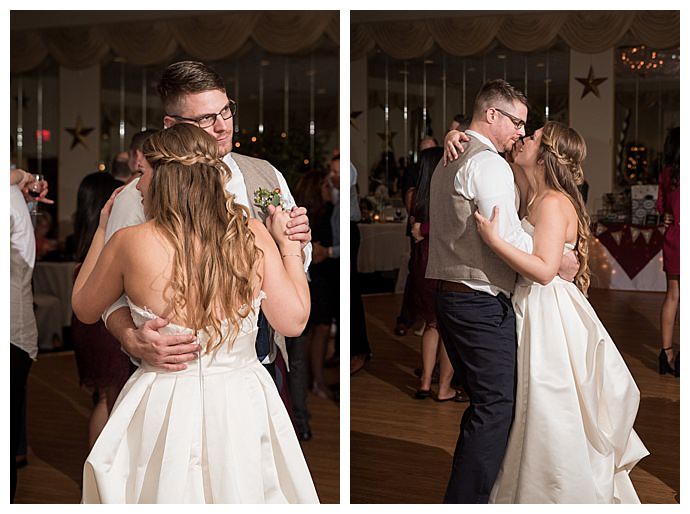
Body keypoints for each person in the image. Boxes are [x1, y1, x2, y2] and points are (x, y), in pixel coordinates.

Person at [73, 124, 318, 503]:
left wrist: (103, 228)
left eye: (145, 173)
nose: (138, 185)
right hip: (241, 403)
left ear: (167, 178)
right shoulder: (250, 234)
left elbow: (84, 307)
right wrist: (288, 247)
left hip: (161, 403)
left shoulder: (128, 243)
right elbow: (294, 320)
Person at [101, 61, 311, 386]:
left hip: (255, 361)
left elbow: (292, 264)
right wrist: (129, 335)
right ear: (171, 125)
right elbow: (108, 287)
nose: (222, 126)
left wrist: (297, 241)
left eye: (226, 111)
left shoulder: (267, 175)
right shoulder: (139, 193)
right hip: (172, 370)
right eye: (205, 119)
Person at [473, 121, 648, 503]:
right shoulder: (531, 195)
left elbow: (544, 269)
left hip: (548, 312)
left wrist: (493, 240)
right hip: (533, 305)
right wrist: (457, 137)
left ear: (547, 154)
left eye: (532, 137)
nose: (523, 138)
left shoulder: (552, 202)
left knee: (549, 406)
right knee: (533, 406)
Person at [428, 79, 578, 503]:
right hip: (478, 301)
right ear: (491, 114)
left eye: (525, 128)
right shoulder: (488, 163)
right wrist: (557, 258)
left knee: (489, 405)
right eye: (517, 122)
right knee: (495, 409)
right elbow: (508, 236)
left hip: (453, 296)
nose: (519, 132)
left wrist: (453, 135)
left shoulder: (453, 157)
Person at [71, 171, 136, 449]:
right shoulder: (108, 238)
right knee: (112, 399)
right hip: (103, 326)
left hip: (89, 328)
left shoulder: (86, 237)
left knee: (106, 398)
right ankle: (100, 465)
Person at [408, 146, 466, 402]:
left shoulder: (415, 195)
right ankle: (443, 388)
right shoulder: (447, 191)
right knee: (448, 328)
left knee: (431, 324)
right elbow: (452, 225)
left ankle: (424, 383)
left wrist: (424, 229)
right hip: (442, 263)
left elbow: (417, 227)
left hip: (421, 264)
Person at [295, 169, 338, 401]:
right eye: (325, 186)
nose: (329, 189)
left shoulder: (324, 212)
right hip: (315, 280)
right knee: (317, 330)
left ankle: (314, 380)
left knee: (316, 331)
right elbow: (319, 252)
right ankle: (317, 381)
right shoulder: (315, 216)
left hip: (320, 278)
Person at [656, 127, 680, 377]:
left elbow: (662, 206)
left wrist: (668, 218)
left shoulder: (666, 173)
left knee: (672, 296)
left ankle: (666, 354)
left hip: (674, 238)